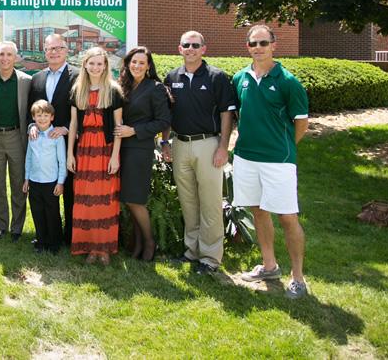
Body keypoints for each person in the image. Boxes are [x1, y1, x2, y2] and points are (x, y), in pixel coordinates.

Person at [233, 24, 310, 299]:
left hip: (278, 161)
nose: (258, 48)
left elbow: (301, 123)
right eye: (253, 43)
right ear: (247, 47)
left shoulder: (288, 81)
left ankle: (298, 278)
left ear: (273, 45)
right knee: (258, 211)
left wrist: (285, 146)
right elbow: (237, 115)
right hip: (246, 158)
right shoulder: (239, 77)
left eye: (263, 43)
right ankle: (269, 266)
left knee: (288, 217)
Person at [160, 31, 236, 274]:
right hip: (180, 143)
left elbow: (226, 114)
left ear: (204, 49)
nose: (190, 49)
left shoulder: (216, 77)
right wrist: (165, 142)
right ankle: (191, 252)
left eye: (195, 45)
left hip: (208, 144)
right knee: (188, 201)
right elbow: (166, 114)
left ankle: (210, 257)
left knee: (211, 201)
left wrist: (223, 147)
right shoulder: (172, 77)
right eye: (186, 45)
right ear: (179, 49)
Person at [67, 47, 123, 265]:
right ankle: (90, 247)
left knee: (105, 200)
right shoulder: (78, 90)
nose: (96, 67)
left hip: (105, 149)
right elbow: (73, 125)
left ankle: (104, 248)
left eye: (100, 64)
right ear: (85, 65)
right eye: (92, 63)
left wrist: (115, 156)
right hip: (84, 149)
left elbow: (118, 127)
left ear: (106, 66)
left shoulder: (113, 90)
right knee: (85, 201)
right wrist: (70, 153)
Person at [115, 46, 171, 262]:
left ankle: (149, 241)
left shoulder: (155, 88)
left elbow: (163, 120)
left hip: (140, 147)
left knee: (136, 199)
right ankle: (137, 243)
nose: (137, 66)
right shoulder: (123, 86)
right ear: (128, 64)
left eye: (141, 62)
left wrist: (135, 130)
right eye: (133, 62)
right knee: (129, 198)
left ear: (148, 66)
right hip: (122, 147)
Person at [26, 33, 79, 245]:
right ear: (44, 51)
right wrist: (31, 126)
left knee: (68, 189)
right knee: (46, 193)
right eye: (50, 49)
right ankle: (46, 234)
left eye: (59, 48)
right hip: (41, 146)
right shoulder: (37, 78)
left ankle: (69, 236)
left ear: (66, 50)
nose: (54, 52)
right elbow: (31, 110)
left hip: (69, 141)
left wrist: (68, 129)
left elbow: (83, 110)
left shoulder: (78, 76)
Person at [0, 41, 31, 241]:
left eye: (9, 54)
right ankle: (2, 226)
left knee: (19, 184)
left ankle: (17, 227)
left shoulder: (26, 81)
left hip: (17, 137)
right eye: (1, 54)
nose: (5, 58)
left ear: (16, 57)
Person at [22, 100, 66, 254]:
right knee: (37, 211)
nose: (42, 119)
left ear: (52, 117)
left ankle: (54, 243)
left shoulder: (57, 137)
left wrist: (60, 182)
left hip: (51, 181)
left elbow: (62, 161)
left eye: (46, 115)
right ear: (33, 117)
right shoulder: (32, 136)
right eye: (38, 115)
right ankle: (41, 241)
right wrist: (26, 179)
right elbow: (28, 158)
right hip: (34, 181)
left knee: (52, 212)